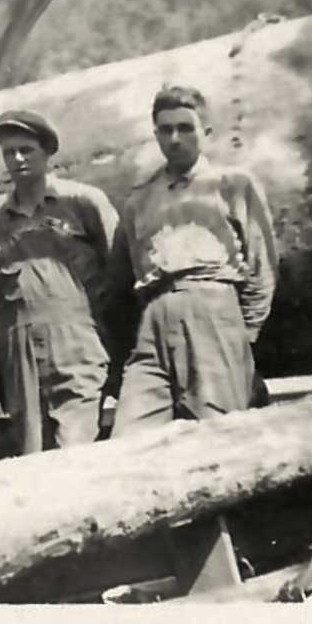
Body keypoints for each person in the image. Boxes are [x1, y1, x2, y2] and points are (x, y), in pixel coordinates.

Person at [107, 85, 278, 435]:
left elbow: (263, 266)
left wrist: (242, 334)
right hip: (153, 317)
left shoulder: (232, 184)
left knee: (218, 432)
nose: (175, 139)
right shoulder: (139, 199)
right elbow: (128, 271)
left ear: (206, 131)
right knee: (128, 435)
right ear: (156, 134)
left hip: (213, 309)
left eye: (185, 128)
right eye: (166, 130)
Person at [0, 110, 119, 454]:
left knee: (77, 449)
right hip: (22, 354)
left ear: (47, 152)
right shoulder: (1, 221)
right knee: (34, 456)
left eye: (26, 150)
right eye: (9, 152)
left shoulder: (82, 202)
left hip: (76, 345)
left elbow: (120, 271)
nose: (17, 159)